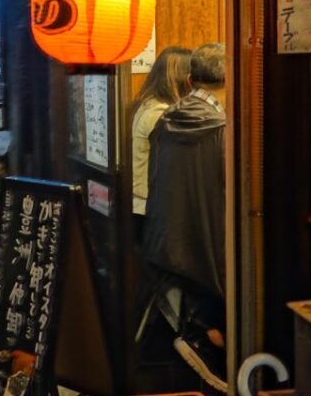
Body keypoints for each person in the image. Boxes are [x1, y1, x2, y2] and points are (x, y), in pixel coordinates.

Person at [142, 43, 228, 392]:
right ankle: (206, 341)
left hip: (168, 234)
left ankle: (199, 334)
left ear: (191, 80)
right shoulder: (224, 126)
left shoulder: (168, 118)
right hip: (212, 235)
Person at [131, 46, 191, 232]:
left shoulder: (148, 103)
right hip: (148, 205)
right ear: (184, 79)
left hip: (140, 204)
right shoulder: (161, 113)